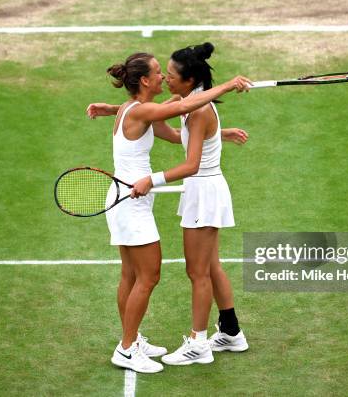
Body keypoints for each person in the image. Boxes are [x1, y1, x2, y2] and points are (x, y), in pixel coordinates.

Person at [89, 43, 250, 367]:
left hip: (130, 198)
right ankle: (126, 348)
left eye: (170, 73)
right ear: (146, 82)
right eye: (160, 73)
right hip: (130, 199)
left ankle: (133, 340)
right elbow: (180, 109)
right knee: (146, 277)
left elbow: (181, 132)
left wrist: (219, 132)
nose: (164, 76)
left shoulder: (132, 108)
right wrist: (228, 86)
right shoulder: (143, 111)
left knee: (132, 275)